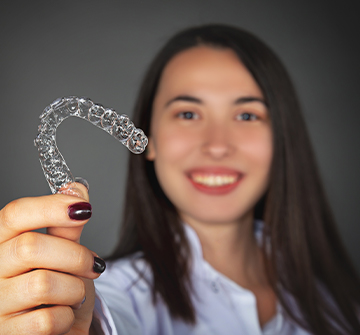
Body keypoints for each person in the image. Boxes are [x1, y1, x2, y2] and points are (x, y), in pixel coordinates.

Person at [0, 24, 359, 335]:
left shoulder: (341, 301)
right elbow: (105, 320)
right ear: (150, 137)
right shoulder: (114, 294)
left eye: (247, 115)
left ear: (282, 137)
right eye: (188, 113)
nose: (217, 145)